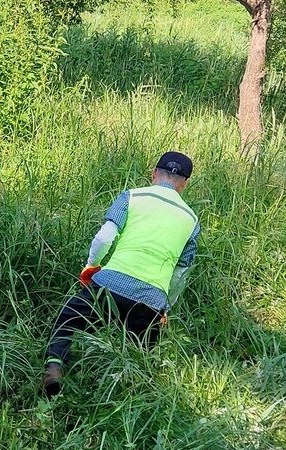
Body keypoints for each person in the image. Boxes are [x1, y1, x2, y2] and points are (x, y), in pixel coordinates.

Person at [41, 151, 201, 397]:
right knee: (141, 351)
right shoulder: (192, 220)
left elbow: (104, 237)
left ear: (154, 173)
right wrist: (165, 305)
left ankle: (54, 368)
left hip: (109, 284)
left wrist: (91, 266)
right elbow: (181, 271)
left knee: (69, 320)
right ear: (185, 184)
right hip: (151, 299)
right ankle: (125, 395)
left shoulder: (132, 197)